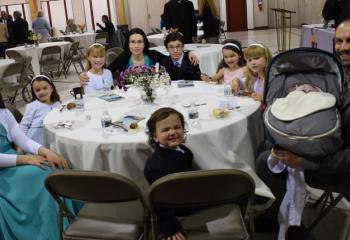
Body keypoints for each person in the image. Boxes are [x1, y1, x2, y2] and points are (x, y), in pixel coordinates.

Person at [255, 18, 350, 239]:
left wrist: (304, 161)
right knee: (266, 147)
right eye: (339, 41)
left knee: (264, 163)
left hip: (343, 170)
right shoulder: (341, 73)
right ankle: (276, 211)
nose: (343, 47)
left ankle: (295, 229)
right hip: (328, 145)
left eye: (349, 41)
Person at [0, 91, 70, 239]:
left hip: (12, 159)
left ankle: (63, 227)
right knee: (43, 174)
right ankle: (50, 233)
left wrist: (45, 151)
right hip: (4, 170)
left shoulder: (4, 112)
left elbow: (22, 139)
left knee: (52, 165)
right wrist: (25, 159)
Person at [80, 28, 198, 85]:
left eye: (140, 42)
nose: (136, 46)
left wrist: (188, 53)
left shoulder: (152, 55)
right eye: (133, 42)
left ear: (144, 43)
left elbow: (172, 56)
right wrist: (85, 74)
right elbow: (105, 70)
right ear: (128, 43)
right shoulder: (124, 57)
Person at [144, 107, 194, 240]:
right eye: (165, 130)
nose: (172, 132)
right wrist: (170, 227)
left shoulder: (183, 150)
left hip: (190, 195)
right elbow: (159, 199)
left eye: (177, 127)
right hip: (178, 209)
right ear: (155, 136)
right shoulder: (156, 166)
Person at [20, 75, 61, 145]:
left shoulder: (57, 103)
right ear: (34, 92)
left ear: (51, 88)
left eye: (45, 88)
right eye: (37, 90)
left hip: (53, 132)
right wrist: (21, 142)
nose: (42, 92)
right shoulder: (32, 106)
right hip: (36, 135)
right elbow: (24, 125)